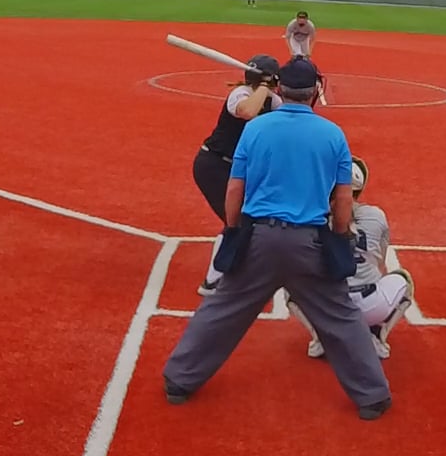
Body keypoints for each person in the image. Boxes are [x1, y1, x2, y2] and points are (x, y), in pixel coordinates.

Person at [161, 58, 393, 421]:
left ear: (280, 88)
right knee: (341, 316)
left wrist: (234, 230)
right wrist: (339, 237)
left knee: (224, 307)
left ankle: (179, 380)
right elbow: (343, 199)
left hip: (260, 239)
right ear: (315, 91)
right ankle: (372, 396)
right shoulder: (333, 134)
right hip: (310, 243)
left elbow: (234, 188)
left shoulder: (256, 129)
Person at [288, 156, 415, 360]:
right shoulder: (376, 215)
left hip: (329, 307)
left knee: (290, 280)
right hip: (371, 304)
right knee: (404, 279)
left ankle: (320, 338)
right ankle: (377, 336)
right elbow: (380, 260)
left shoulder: (313, 216)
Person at [191, 54, 282, 296]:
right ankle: (213, 281)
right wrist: (264, 87)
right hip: (213, 165)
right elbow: (248, 111)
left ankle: (239, 267)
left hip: (240, 171)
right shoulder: (240, 94)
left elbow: (286, 120)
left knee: (251, 217)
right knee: (237, 220)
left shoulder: (273, 101)